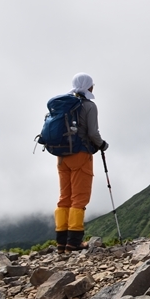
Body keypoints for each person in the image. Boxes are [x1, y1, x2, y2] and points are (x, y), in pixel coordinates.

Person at [54, 73, 108, 254]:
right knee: (79, 198)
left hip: (61, 156)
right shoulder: (89, 106)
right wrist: (102, 144)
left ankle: (61, 243)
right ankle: (74, 242)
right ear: (88, 86)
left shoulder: (65, 104)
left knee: (64, 198)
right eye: (92, 85)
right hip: (80, 155)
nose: (93, 87)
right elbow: (93, 133)